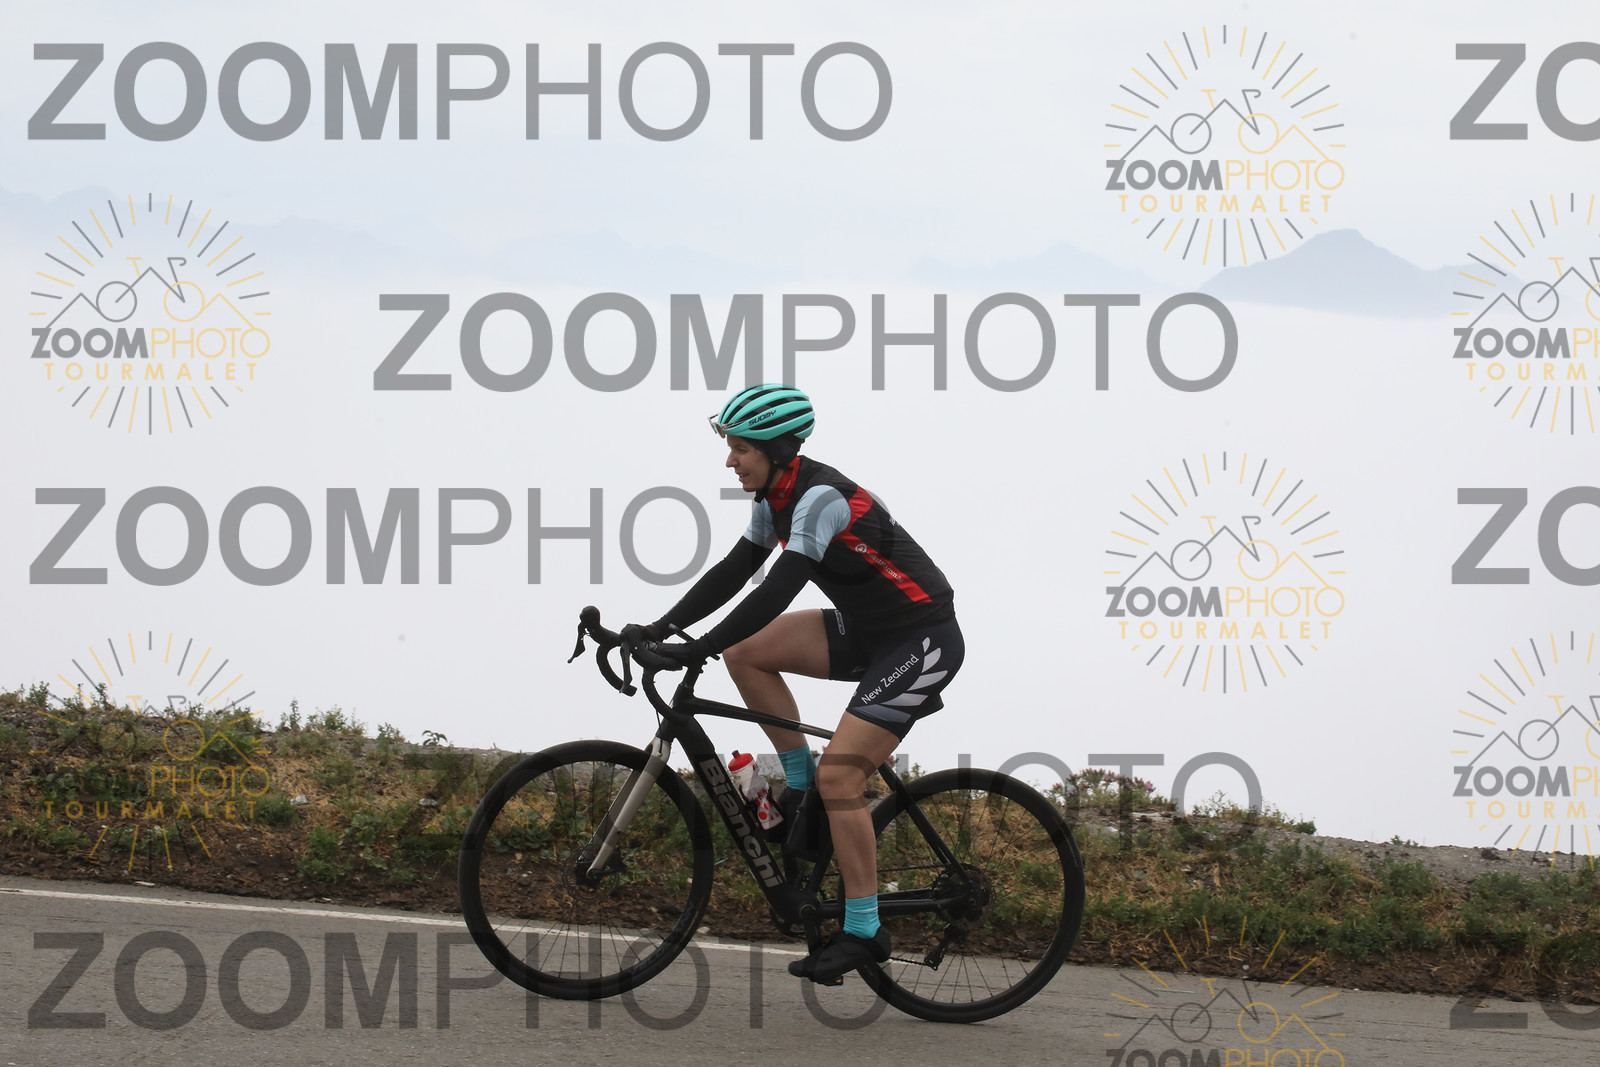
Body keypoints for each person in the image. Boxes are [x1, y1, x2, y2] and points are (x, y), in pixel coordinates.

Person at [626, 383, 964, 983]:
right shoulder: (773, 497)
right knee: (746, 653)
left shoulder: (821, 498)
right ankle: (799, 789)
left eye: (740, 449)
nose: (730, 460)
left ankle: (864, 929)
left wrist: (695, 649)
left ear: (778, 449)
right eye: (730, 447)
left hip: (922, 637)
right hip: (867, 629)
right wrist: (661, 627)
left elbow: (780, 587)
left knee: (843, 777)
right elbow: (735, 570)